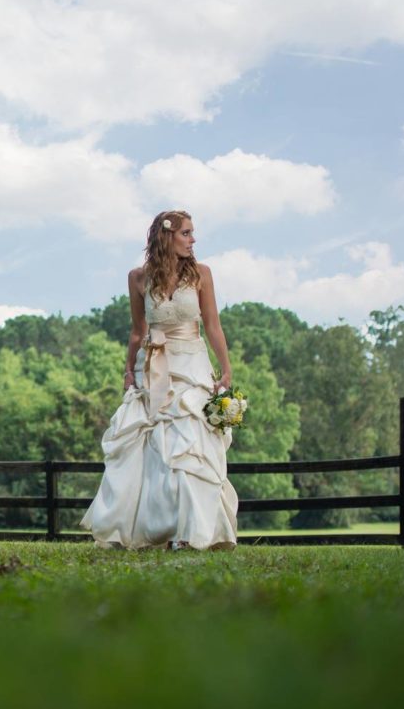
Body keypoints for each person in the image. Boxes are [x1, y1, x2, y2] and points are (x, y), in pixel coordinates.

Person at [79, 209, 239, 551]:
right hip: (152, 366)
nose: (193, 239)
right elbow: (137, 331)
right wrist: (127, 371)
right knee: (150, 449)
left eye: (192, 233)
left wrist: (225, 369)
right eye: (186, 233)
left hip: (191, 365)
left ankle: (191, 532)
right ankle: (153, 530)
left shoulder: (202, 275)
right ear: (166, 236)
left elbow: (213, 325)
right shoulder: (138, 278)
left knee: (190, 444)